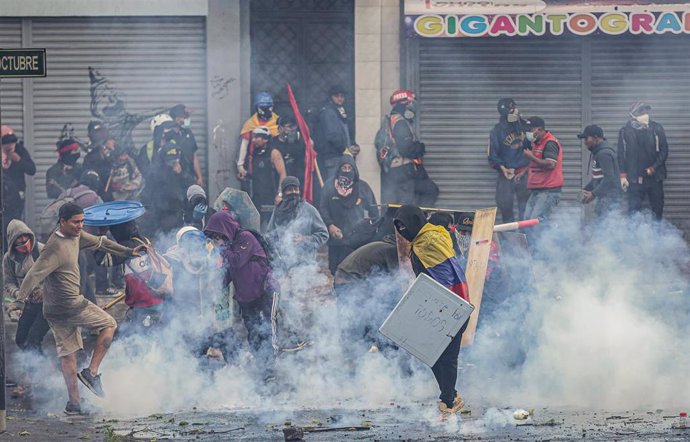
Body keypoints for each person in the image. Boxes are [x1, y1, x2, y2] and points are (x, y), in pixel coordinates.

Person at [10, 203, 143, 415]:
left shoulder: (76, 236)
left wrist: (128, 251)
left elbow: (101, 243)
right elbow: (33, 275)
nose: (80, 225)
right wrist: (19, 301)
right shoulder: (54, 247)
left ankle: (74, 404)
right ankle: (91, 373)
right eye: (75, 222)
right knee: (110, 324)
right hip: (71, 305)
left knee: (68, 355)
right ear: (62, 221)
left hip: (53, 310)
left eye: (82, 221)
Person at [393, 205, 469, 416]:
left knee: (447, 354)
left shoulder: (425, 242)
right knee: (431, 351)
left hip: (449, 302)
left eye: (404, 224)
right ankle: (450, 397)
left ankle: (448, 403)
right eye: (398, 226)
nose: (402, 229)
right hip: (443, 300)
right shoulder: (436, 234)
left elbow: (440, 277)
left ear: (415, 220)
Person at [204, 211, 279, 380]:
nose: (217, 239)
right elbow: (229, 273)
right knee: (253, 333)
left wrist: (222, 248)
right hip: (246, 298)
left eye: (218, 235)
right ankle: (262, 369)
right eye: (214, 237)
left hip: (264, 291)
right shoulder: (228, 248)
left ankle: (272, 368)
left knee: (267, 329)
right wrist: (215, 287)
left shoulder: (245, 237)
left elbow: (237, 261)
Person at [378, 89, 438, 206]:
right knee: (427, 192)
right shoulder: (400, 123)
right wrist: (420, 147)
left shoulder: (392, 120)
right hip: (404, 171)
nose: (413, 107)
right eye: (411, 103)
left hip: (398, 172)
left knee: (423, 193)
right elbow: (406, 149)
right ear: (404, 104)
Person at [319, 156, 378, 275]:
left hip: (356, 241)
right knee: (335, 270)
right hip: (337, 240)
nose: (346, 171)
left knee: (355, 272)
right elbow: (323, 209)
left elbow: (374, 212)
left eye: (349, 168)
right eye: (344, 168)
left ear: (354, 169)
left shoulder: (362, 187)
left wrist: (368, 231)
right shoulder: (330, 187)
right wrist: (330, 225)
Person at [4, 220, 50, 354]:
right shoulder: (9, 259)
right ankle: (36, 364)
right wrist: (19, 295)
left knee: (33, 339)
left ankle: (41, 371)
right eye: (19, 237)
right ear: (12, 240)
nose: (24, 240)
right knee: (21, 340)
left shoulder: (43, 250)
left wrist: (44, 290)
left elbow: (57, 276)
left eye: (25, 235)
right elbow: (8, 282)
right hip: (28, 304)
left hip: (48, 304)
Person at [617, 101, 668, 220]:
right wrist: (623, 176)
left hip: (655, 179)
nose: (645, 114)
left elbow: (664, 150)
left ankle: (657, 235)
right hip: (634, 179)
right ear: (633, 114)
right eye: (641, 112)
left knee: (657, 210)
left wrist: (654, 167)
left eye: (646, 111)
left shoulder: (657, 128)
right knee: (633, 212)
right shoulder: (625, 132)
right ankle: (635, 237)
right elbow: (621, 154)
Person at [488, 98, 531, 223]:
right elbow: (492, 155)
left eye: (515, 108)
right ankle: (510, 240)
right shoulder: (497, 130)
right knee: (505, 207)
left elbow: (536, 149)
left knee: (526, 210)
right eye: (512, 110)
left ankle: (527, 239)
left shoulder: (526, 126)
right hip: (506, 174)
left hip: (525, 173)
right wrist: (503, 168)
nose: (515, 111)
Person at [266, 176, 329, 261]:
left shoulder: (309, 210)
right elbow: (269, 235)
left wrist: (305, 239)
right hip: (282, 263)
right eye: (290, 190)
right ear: (284, 192)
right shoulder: (278, 210)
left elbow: (324, 234)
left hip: (305, 264)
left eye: (296, 189)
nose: (293, 192)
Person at [522, 117, 563, 239]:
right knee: (527, 221)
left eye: (529, 130)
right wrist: (523, 173)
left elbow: (551, 164)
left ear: (538, 129)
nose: (527, 133)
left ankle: (542, 252)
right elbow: (536, 162)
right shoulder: (537, 142)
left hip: (548, 190)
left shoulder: (550, 143)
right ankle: (532, 252)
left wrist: (531, 157)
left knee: (536, 223)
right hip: (537, 190)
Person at [141, 143, 188, 236]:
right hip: (159, 212)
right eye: (171, 161)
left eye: (175, 160)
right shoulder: (155, 172)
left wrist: (180, 174)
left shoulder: (181, 168)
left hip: (176, 211)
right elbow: (148, 192)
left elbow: (186, 186)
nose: (173, 163)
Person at [1, 125, 37, 245]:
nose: (10, 146)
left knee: (14, 227)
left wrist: (19, 160)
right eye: (6, 142)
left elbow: (32, 169)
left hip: (16, 198)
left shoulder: (19, 150)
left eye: (12, 142)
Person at [246, 126, 287, 225]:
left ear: (265, 139)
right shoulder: (256, 153)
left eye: (256, 137)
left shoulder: (274, 153)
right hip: (257, 198)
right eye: (253, 137)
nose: (253, 140)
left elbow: (283, 174)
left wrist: (280, 194)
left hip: (270, 198)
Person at [579, 125, 623, 217]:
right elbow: (597, 177)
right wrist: (586, 190)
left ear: (596, 137)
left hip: (609, 198)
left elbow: (609, 178)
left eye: (586, 138)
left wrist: (593, 194)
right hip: (605, 197)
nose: (585, 142)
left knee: (604, 226)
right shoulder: (598, 152)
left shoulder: (604, 153)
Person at [314, 85, 357, 180]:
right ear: (331, 97)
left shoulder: (340, 112)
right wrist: (344, 149)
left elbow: (346, 133)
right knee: (334, 186)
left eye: (342, 96)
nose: (340, 98)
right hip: (334, 156)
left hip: (341, 156)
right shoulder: (328, 112)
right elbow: (332, 135)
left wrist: (353, 145)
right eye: (337, 96)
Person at [237, 92, 280, 181]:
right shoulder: (251, 123)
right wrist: (240, 165)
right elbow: (244, 144)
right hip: (255, 161)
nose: (266, 110)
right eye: (263, 107)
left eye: (268, 107)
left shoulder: (277, 122)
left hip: (272, 162)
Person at [269, 115, 307, 190]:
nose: (293, 130)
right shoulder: (273, 144)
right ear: (280, 128)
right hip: (279, 184)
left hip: (298, 183)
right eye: (289, 127)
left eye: (294, 126)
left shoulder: (299, 143)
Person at [170, 104, 203, 187]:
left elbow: (194, 156)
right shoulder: (169, 136)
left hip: (189, 178)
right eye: (185, 116)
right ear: (177, 119)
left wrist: (199, 177)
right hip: (174, 180)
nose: (188, 119)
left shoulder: (188, 133)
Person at [83, 121, 116, 201]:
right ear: (103, 144)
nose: (113, 142)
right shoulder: (91, 159)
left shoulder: (112, 157)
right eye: (110, 139)